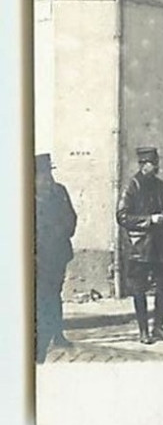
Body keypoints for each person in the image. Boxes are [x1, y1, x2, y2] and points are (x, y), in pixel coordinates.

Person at [116, 146, 163, 344]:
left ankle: (159, 326)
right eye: (153, 163)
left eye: (156, 162)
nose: (157, 166)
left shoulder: (160, 185)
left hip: (161, 244)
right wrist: (150, 220)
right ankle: (143, 331)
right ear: (143, 165)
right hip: (140, 246)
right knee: (139, 288)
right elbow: (122, 216)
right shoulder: (132, 187)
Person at [35, 152, 77, 363]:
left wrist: (63, 231)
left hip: (59, 252)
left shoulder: (59, 192)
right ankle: (42, 336)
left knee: (56, 292)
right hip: (38, 257)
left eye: (48, 173)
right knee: (42, 296)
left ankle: (58, 334)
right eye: (42, 174)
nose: (47, 178)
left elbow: (71, 217)